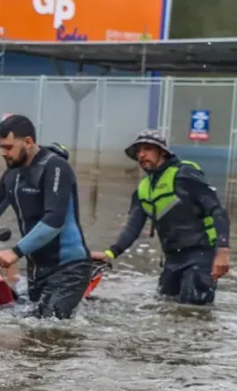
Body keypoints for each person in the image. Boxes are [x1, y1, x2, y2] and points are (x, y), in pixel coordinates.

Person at [0, 115, 92, 319]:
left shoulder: (56, 167)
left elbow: (54, 220)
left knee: (51, 329)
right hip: (37, 269)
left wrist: (16, 251)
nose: (3, 153)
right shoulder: (12, 175)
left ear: (28, 141)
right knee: (31, 330)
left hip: (69, 268)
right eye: (1, 147)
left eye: (8, 147)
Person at [90, 129, 230, 305]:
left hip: (201, 255)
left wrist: (222, 251)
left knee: (194, 311)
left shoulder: (185, 174)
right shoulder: (143, 190)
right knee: (165, 307)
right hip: (171, 259)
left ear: (162, 152)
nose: (141, 155)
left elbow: (217, 210)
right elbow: (133, 227)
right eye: (138, 151)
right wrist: (110, 253)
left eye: (147, 149)